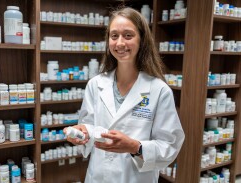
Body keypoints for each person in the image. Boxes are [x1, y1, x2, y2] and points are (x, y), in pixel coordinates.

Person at [64, 7, 185, 183]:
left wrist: (135, 147)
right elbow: (90, 126)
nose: (120, 43)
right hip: (99, 177)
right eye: (114, 36)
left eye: (128, 35)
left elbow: (170, 146)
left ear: (142, 40)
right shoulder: (96, 84)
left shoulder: (158, 90)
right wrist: (82, 133)